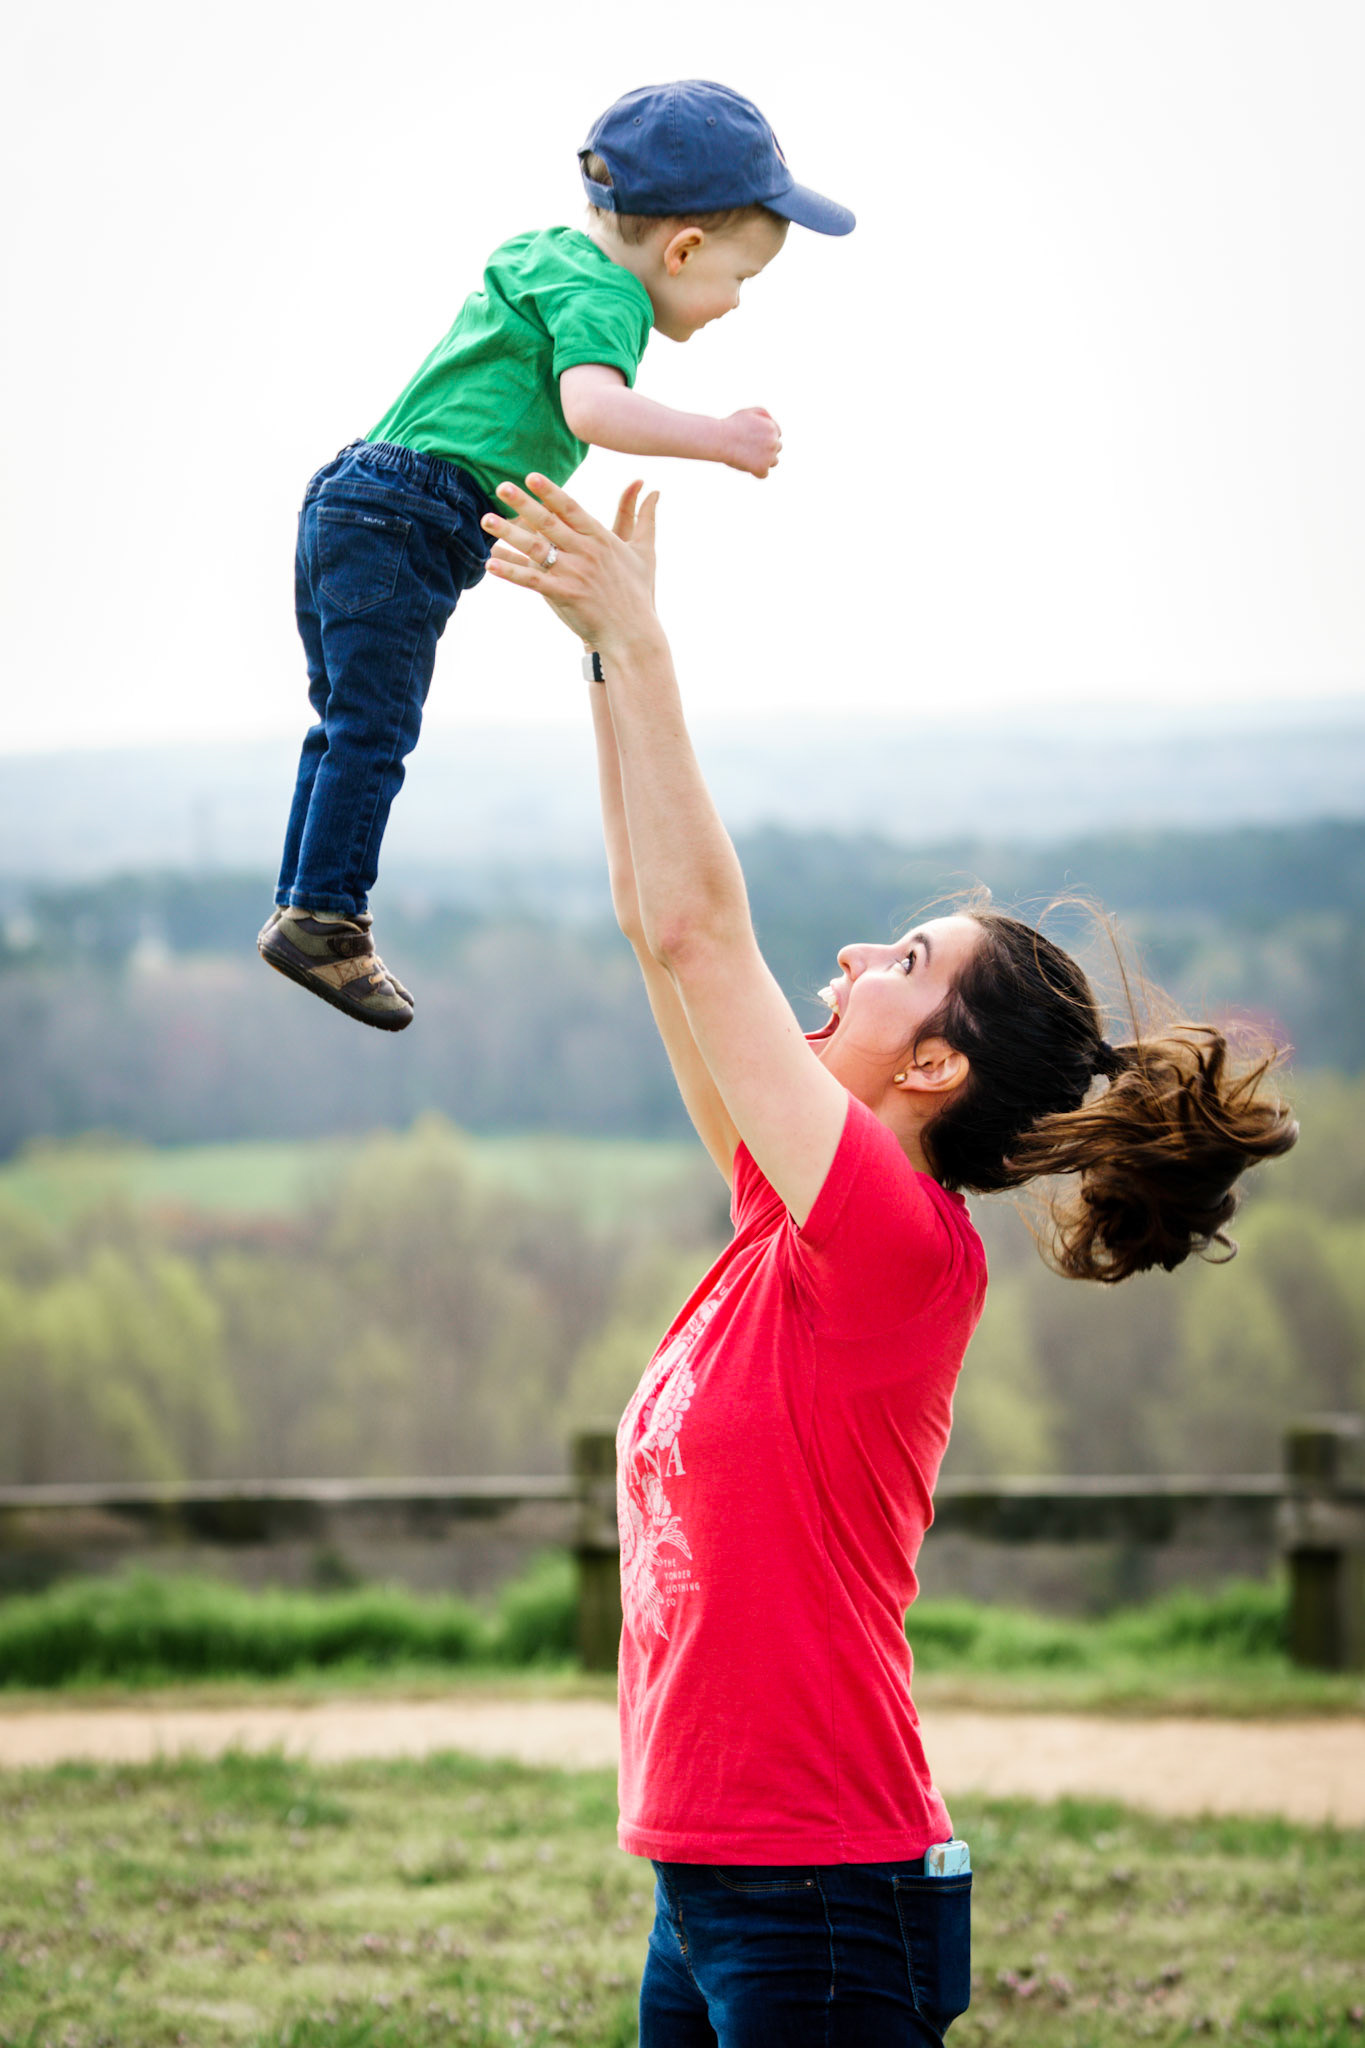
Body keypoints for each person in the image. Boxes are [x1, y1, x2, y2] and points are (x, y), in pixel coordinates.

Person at [479, 470, 1299, 2045]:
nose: (852, 956)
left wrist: (648, 650)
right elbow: (656, 920)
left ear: (932, 1071)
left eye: (902, 965)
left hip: (827, 1897)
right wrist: (600, 651)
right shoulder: (788, 1223)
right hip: (718, 1879)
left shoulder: (893, 1254)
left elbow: (708, 942)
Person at [257, 79, 854, 1032]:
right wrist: (722, 438)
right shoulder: (609, 293)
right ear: (683, 248)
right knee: (373, 730)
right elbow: (591, 409)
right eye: (742, 279)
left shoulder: (543, 255)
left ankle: (306, 901)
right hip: (408, 514)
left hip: (354, 500)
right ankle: (327, 918)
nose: (736, 304)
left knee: (344, 725)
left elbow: (507, 412)